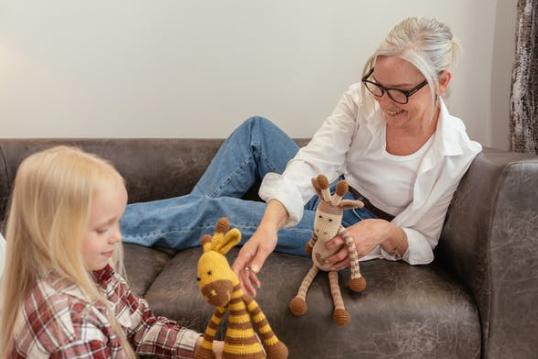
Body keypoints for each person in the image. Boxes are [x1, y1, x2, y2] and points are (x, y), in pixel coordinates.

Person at [120, 16, 481, 297]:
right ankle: (178, 228)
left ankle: (90, 227)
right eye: (379, 87)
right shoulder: (361, 100)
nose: (384, 103)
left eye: (399, 93)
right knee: (256, 131)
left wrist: (383, 230)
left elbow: (424, 241)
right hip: (328, 192)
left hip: (351, 224)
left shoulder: (455, 152)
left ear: (442, 82)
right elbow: (315, 161)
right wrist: (271, 222)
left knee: (217, 213)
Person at [0, 146, 223, 358]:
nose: (117, 237)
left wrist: (207, 348)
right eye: (101, 229)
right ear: (54, 232)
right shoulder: (74, 329)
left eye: (117, 222)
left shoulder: (94, 271)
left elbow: (141, 327)